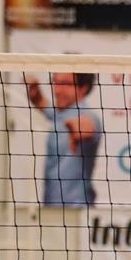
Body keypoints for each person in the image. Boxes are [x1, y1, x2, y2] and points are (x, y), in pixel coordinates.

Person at [25, 72, 101, 207]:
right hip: (52, 209)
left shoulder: (88, 115)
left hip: (77, 210)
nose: (57, 90)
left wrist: (74, 128)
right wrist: (36, 94)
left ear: (83, 87)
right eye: (56, 82)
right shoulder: (60, 113)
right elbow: (43, 104)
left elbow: (88, 126)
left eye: (65, 84)